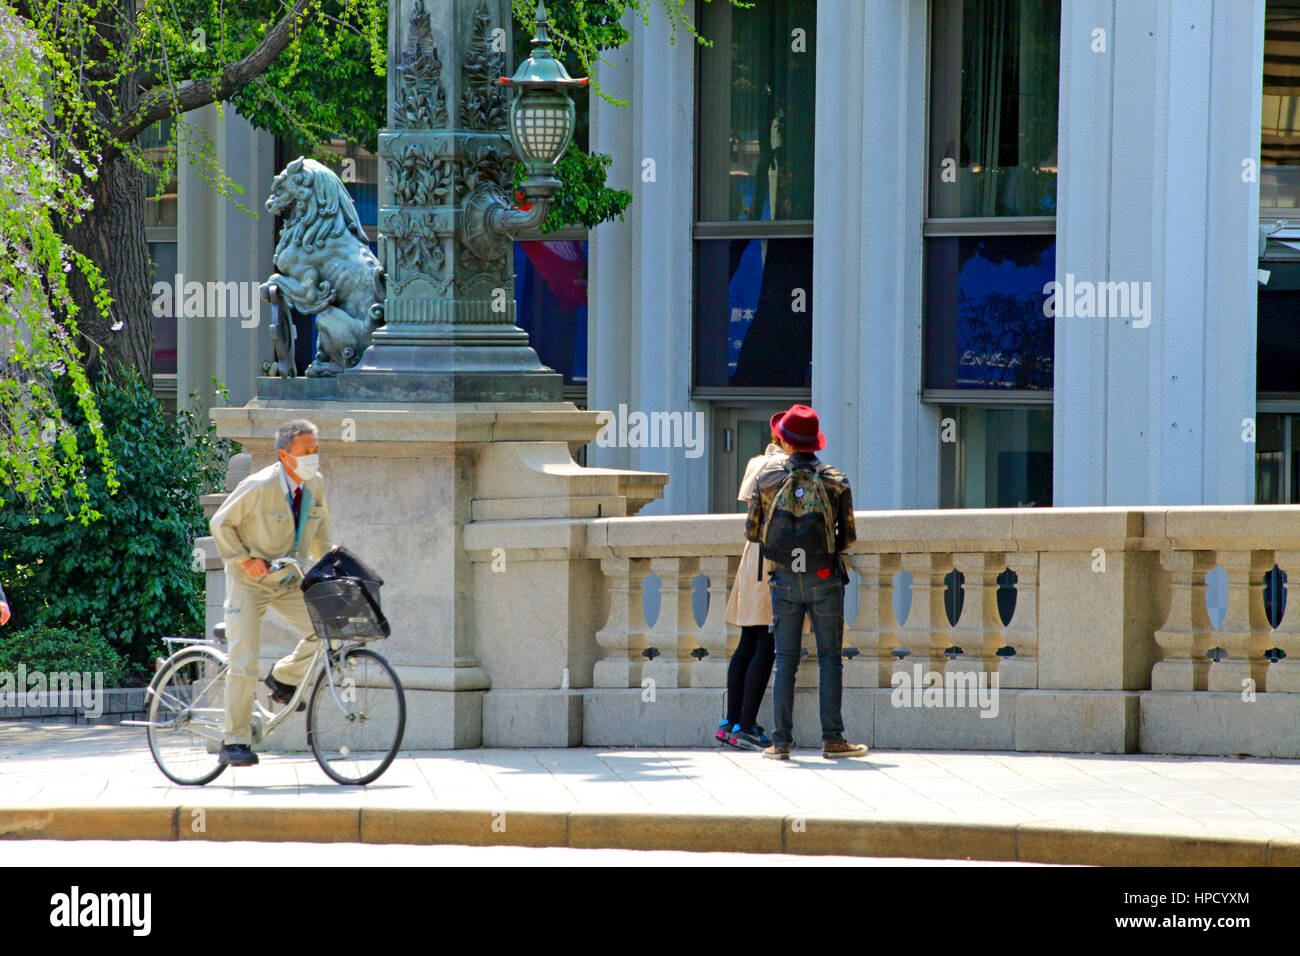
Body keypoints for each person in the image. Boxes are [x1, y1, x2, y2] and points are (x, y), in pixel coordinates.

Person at [209, 419, 334, 767]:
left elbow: (322, 533)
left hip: (287, 578)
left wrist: (331, 569)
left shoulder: (315, 484)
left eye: (316, 449)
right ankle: (234, 740)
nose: (312, 456)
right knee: (244, 661)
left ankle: (283, 678)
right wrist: (243, 559)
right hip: (250, 580)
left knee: (325, 629)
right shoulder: (259, 485)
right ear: (284, 455)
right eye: (305, 451)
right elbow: (220, 523)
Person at [745, 404, 867, 760]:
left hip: (783, 577)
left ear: (784, 439)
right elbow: (847, 538)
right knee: (830, 658)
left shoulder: (766, 480)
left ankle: (780, 742)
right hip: (825, 577)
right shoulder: (835, 480)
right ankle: (833, 739)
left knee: (785, 660)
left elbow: (752, 532)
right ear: (815, 442)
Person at [716, 431, 809, 751]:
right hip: (773, 559)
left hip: (752, 558)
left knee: (748, 640)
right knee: (767, 643)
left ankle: (731, 722)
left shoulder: (758, 463)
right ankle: (745, 724)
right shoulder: (787, 467)